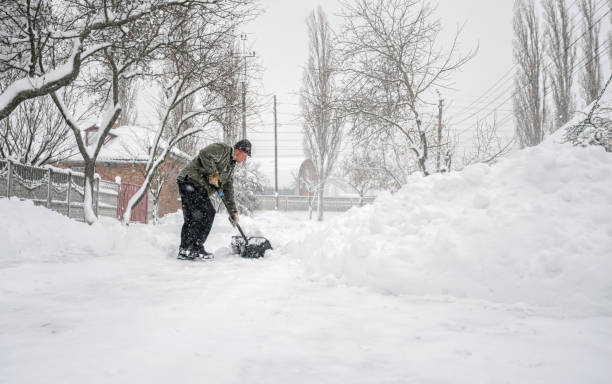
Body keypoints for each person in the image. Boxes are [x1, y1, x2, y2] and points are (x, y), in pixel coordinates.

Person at [176, 139, 251, 260]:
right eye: (245, 156)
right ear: (239, 151)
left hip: (191, 184)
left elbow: (228, 188)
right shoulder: (223, 149)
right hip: (191, 181)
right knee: (207, 213)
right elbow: (204, 154)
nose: (244, 159)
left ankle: (185, 249)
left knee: (192, 217)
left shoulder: (231, 167)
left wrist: (233, 211)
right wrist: (213, 174)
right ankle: (195, 247)